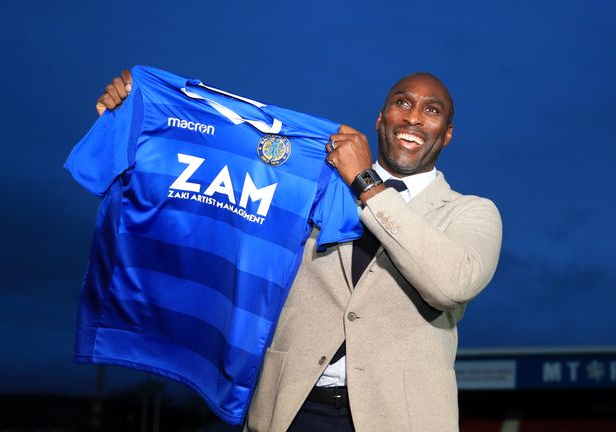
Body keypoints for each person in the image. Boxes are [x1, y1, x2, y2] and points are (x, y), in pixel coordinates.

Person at [96, 70, 502, 432]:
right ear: (381, 118)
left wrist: (364, 182)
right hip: (290, 412)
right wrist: (147, 110)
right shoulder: (313, 184)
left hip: (401, 418)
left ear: (447, 134)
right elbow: (222, 172)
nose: (413, 117)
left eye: (431, 110)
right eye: (402, 103)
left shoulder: (472, 213)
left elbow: (450, 285)